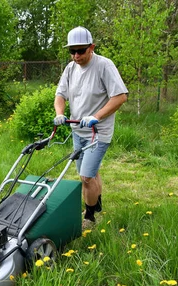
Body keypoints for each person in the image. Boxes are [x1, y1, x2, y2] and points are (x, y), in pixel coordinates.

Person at [54, 26, 128, 228]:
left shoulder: (104, 66)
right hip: (77, 131)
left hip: (98, 132)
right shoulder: (70, 68)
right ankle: (96, 203)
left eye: (80, 51)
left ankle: (89, 217)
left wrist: (96, 116)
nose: (76, 56)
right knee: (90, 173)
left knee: (86, 177)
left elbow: (120, 97)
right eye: (72, 51)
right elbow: (60, 95)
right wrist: (60, 114)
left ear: (91, 47)